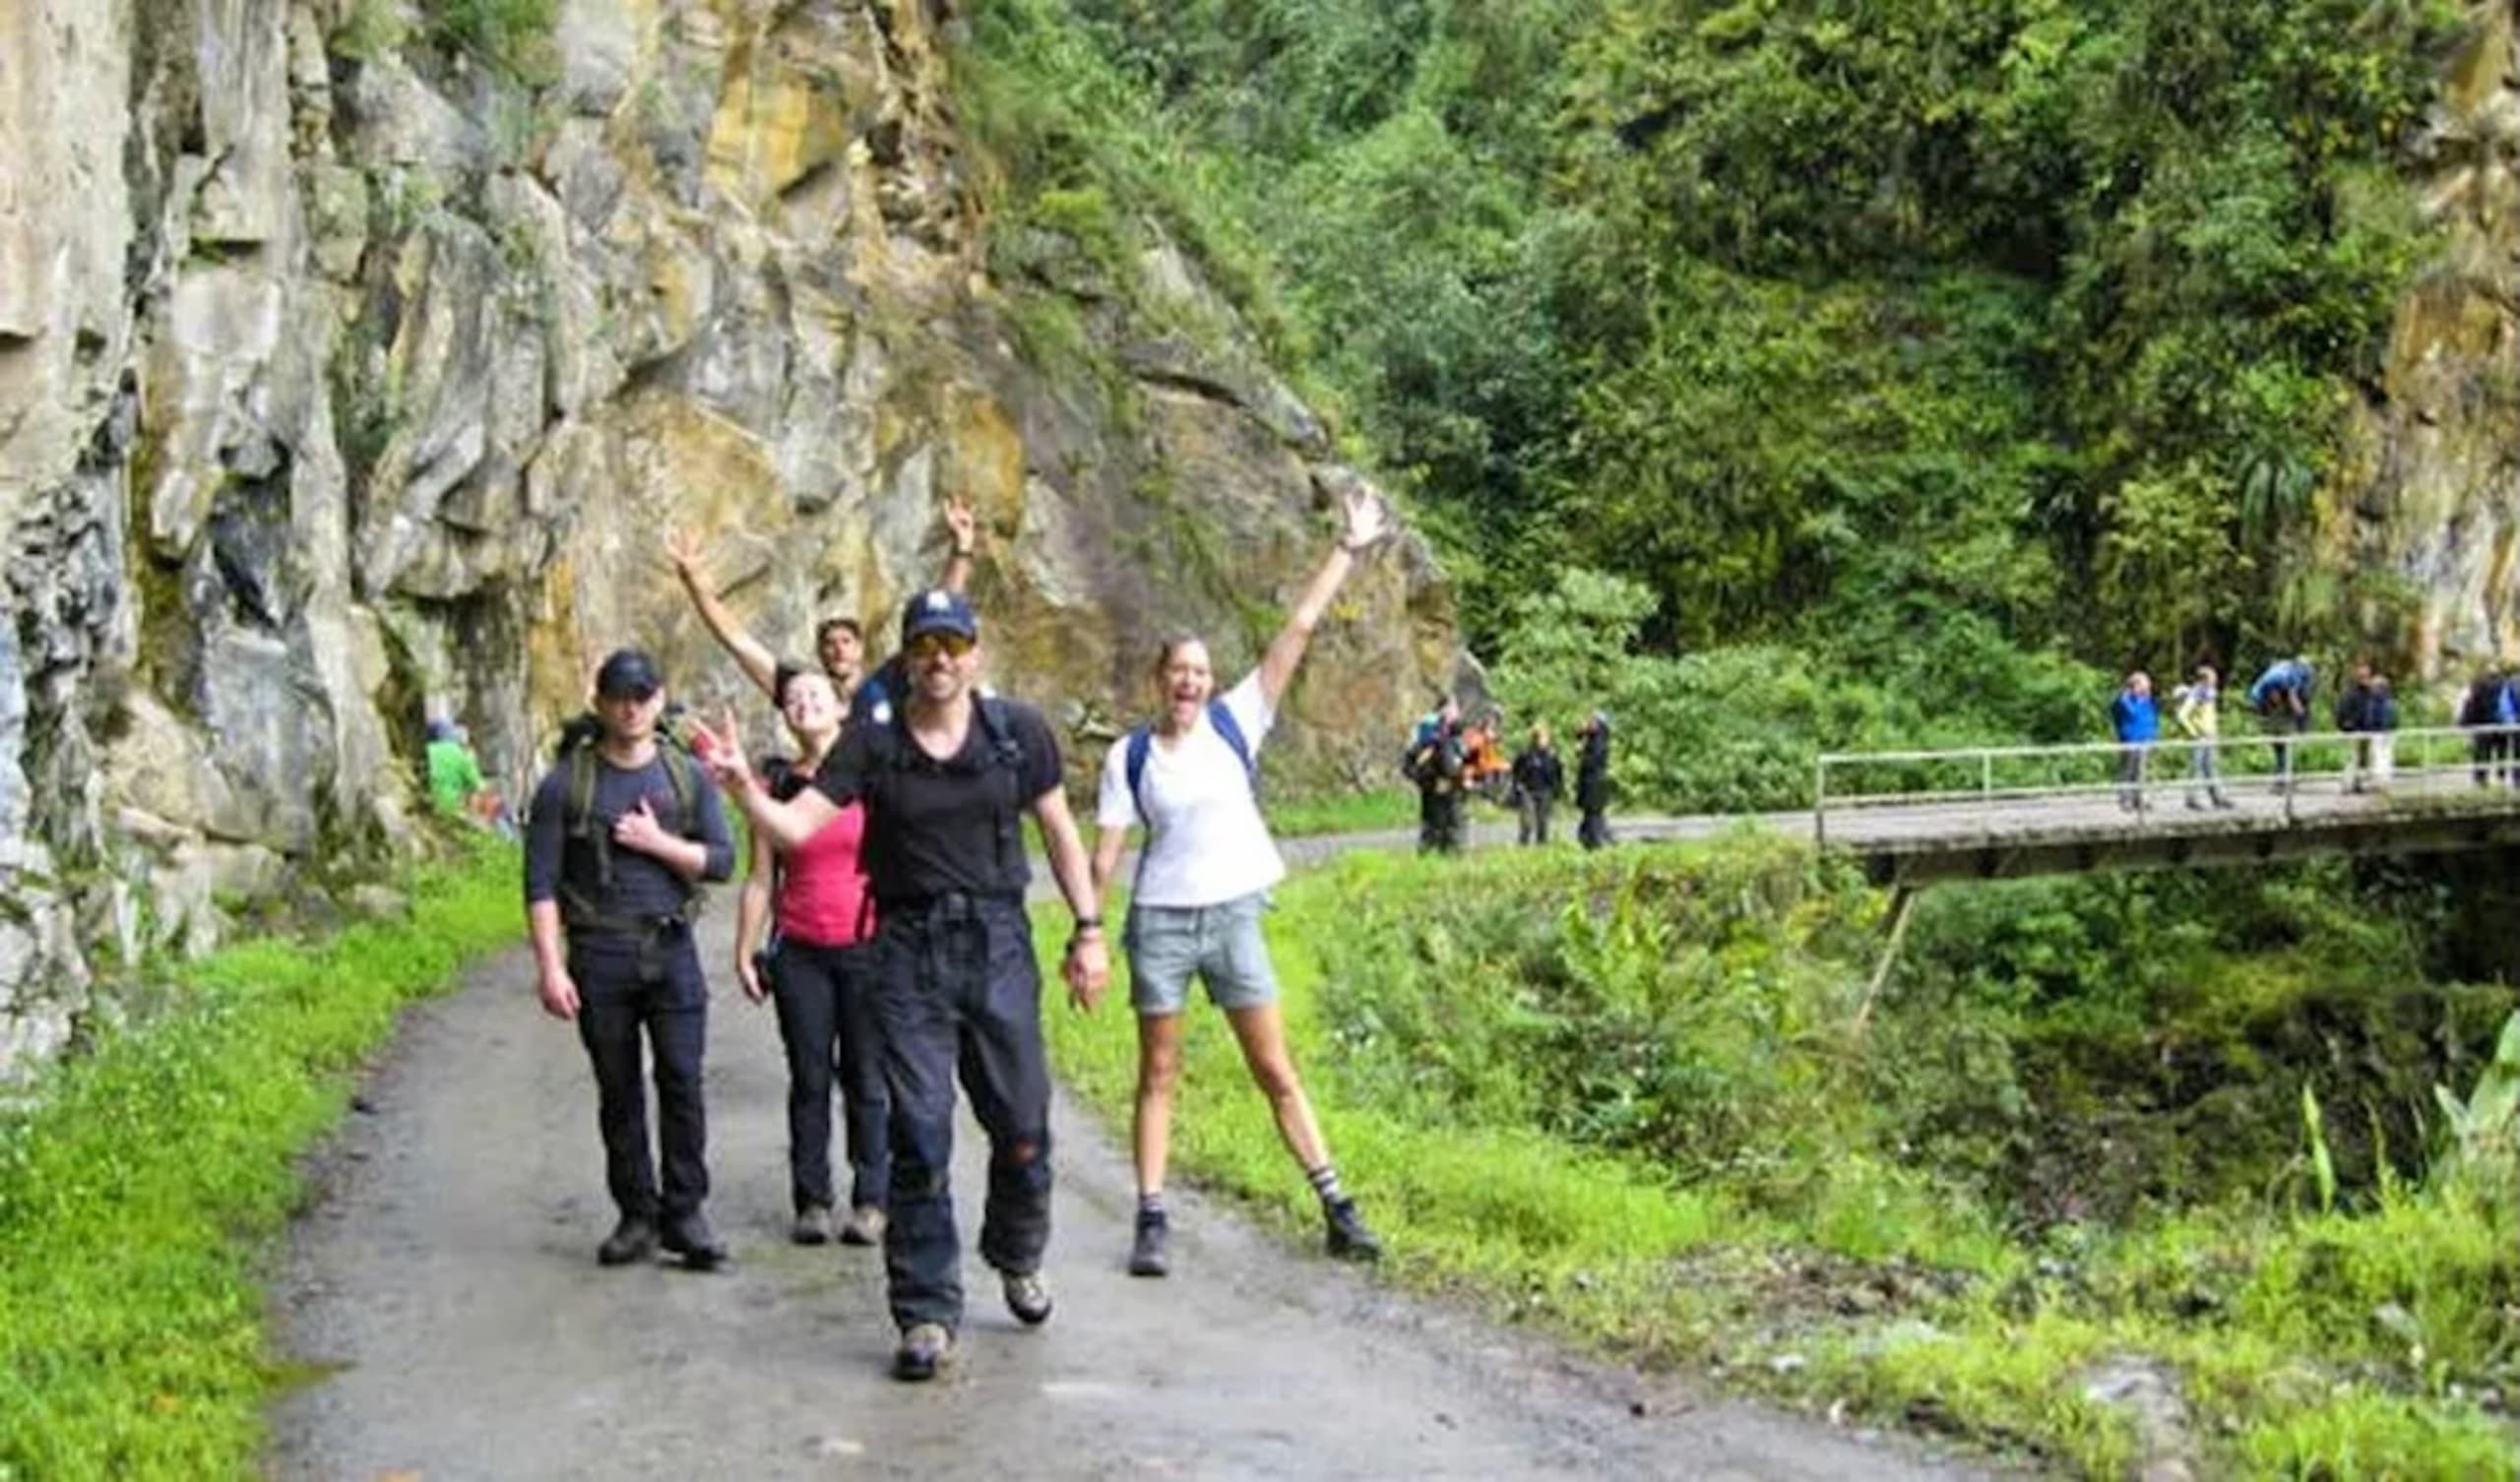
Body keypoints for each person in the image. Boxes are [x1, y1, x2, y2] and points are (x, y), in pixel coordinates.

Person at [701, 589, 1107, 1384]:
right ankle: (925, 1312)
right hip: (905, 949)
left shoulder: (1016, 732)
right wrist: (742, 785)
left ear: (974, 653)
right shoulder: (872, 743)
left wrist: (1088, 930)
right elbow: (795, 827)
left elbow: (1060, 830)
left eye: (953, 644)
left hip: (996, 942)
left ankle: (1016, 1251)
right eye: (925, 645)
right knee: (918, 1135)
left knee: (1023, 1127)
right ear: (908, 658)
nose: (939, 659)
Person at [1089, 485, 1389, 1283]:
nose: (1189, 682)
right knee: (1158, 1072)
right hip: (1161, 924)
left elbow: (1299, 629)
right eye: (1177, 672)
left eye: (1199, 671)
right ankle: (1151, 1217)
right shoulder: (1128, 757)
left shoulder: (1237, 719)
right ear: (1158, 680)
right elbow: (1106, 855)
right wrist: (1089, 935)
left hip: (1231, 919)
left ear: (1210, 680)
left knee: (1274, 1068)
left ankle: (1337, 1206)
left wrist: (1348, 548)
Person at [525, 649, 738, 1269]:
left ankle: (686, 1213)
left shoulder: (685, 776)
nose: (631, 708)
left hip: (671, 947)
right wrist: (550, 967)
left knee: (682, 1081)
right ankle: (637, 1214)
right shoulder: (566, 784)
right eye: (619, 696)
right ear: (600, 702)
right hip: (600, 952)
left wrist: (659, 843)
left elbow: (722, 861)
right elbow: (540, 883)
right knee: (618, 1089)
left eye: (642, 696)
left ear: (659, 699)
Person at [731, 663, 889, 1250]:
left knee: (867, 1076)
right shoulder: (776, 787)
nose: (803, 704)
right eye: (793, 698)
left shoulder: (872, 775)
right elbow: (759, 878)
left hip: (867, 945)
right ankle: (813, 1200)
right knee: (809, 1076)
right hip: (800, 949)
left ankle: (872, 1199)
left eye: (815, 694)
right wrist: (745, 949)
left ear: (842, 706)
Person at [665, 496, 977, 720]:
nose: (838, 649)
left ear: (861, 648)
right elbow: (738, 642)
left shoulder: (888, 683)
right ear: (818, 653)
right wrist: (695, 585)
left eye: (846, 641)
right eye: (829, 643)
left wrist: (961, 551)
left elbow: (939, 618)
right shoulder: (805, 694)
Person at [1405, 697, 1469, 854]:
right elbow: (1448, 762)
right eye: (1453, 708)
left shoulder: (1438, 731)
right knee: (1447, 821)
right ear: (1444, 709)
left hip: (1434, 782)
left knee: (1436, 821)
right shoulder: (1437, 733)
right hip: (1440, 782)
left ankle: (1432, 854)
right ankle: (1445, 854)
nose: (1456, 712)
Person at [2246, 654, 2314, 792]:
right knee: (2283, 750)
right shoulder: (2289, 676)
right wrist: (2301, 714)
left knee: (2282, 751)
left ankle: (2284, 780)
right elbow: (2288, 697)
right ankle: (2281, 783)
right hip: (2275, 718)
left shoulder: (2283, 670)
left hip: (2271, 714)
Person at [2170, 666, 2234, 811]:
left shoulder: (2209, 693)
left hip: (2210, 735)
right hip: (2200, 737)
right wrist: (2193, 731)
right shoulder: (2197, 694)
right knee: (2196, 768)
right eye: (2213, 677)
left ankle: (2218, 798)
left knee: (2211, 767)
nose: (2215, 680)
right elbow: (2182, 715)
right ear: (2205, 679)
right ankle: (2192, 799)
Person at [424, 718, 498, 825]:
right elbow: (479, 785)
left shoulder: (428, 749)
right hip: (448, 806)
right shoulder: (462, 754)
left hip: (426, 802)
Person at [2109, 671, 2159, 812]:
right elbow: (2119, 712)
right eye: (2144, 686)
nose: (2147, 689)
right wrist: (2127, 695)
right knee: (2128, 771)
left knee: (2142, 771)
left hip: (2146, 739)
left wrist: (2153, 734)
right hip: (2131, 739)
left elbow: (2152, 718)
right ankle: (2126, 799)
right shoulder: (2124, 700)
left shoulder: (2148, 701)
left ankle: (2141, 798)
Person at [2459, 665, 2515, 788]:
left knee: (2482, 752)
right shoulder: (2504, 684)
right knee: (2501, 752)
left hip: (2482, 724)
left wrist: (2466, 723)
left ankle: (2480, 779)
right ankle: (2501, 777)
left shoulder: (2476, 684)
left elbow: (2470, 704)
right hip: (2500, 724)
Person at [1510, 722, 1564, 846]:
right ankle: (1523, 845)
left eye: (1546, 738)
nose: (1544, 741)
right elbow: (1516, 770)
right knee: (1527, 822)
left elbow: (1558, 773)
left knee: (1543, 822)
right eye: (1541, 738)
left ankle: (1542, 846)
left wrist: (1557, 790)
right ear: (1535, 739)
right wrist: (1517, 784)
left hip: (1545, 791)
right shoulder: (1525, 754)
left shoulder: (1552, 756)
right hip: (1528, 791)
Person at [2336, 660, 2382, 794]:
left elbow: (2376, 706)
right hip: (2353, 731)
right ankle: (2347, 784)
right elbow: (2342, 711)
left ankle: (2359, 783)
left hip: (2367, 730)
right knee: (2351, 758)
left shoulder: (2371, 693)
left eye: (2367, 675)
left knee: (2366, 758)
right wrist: (2346, 725)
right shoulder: (2349, 693)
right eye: (2362, 676)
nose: (2365, 678)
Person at [1575, 711, 1613, 850]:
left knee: (1593, 813)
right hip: (1590, 780)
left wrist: (1581, 754)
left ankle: (1595, 842)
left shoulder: (1599, 740)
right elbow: (1578, 735)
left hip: (1594, 781)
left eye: (1592, 721)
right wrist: (1580, 735)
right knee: (1591, 814)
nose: (1588, 723)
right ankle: (1592, 838)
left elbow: (1594, 761)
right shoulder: (1593, 737)